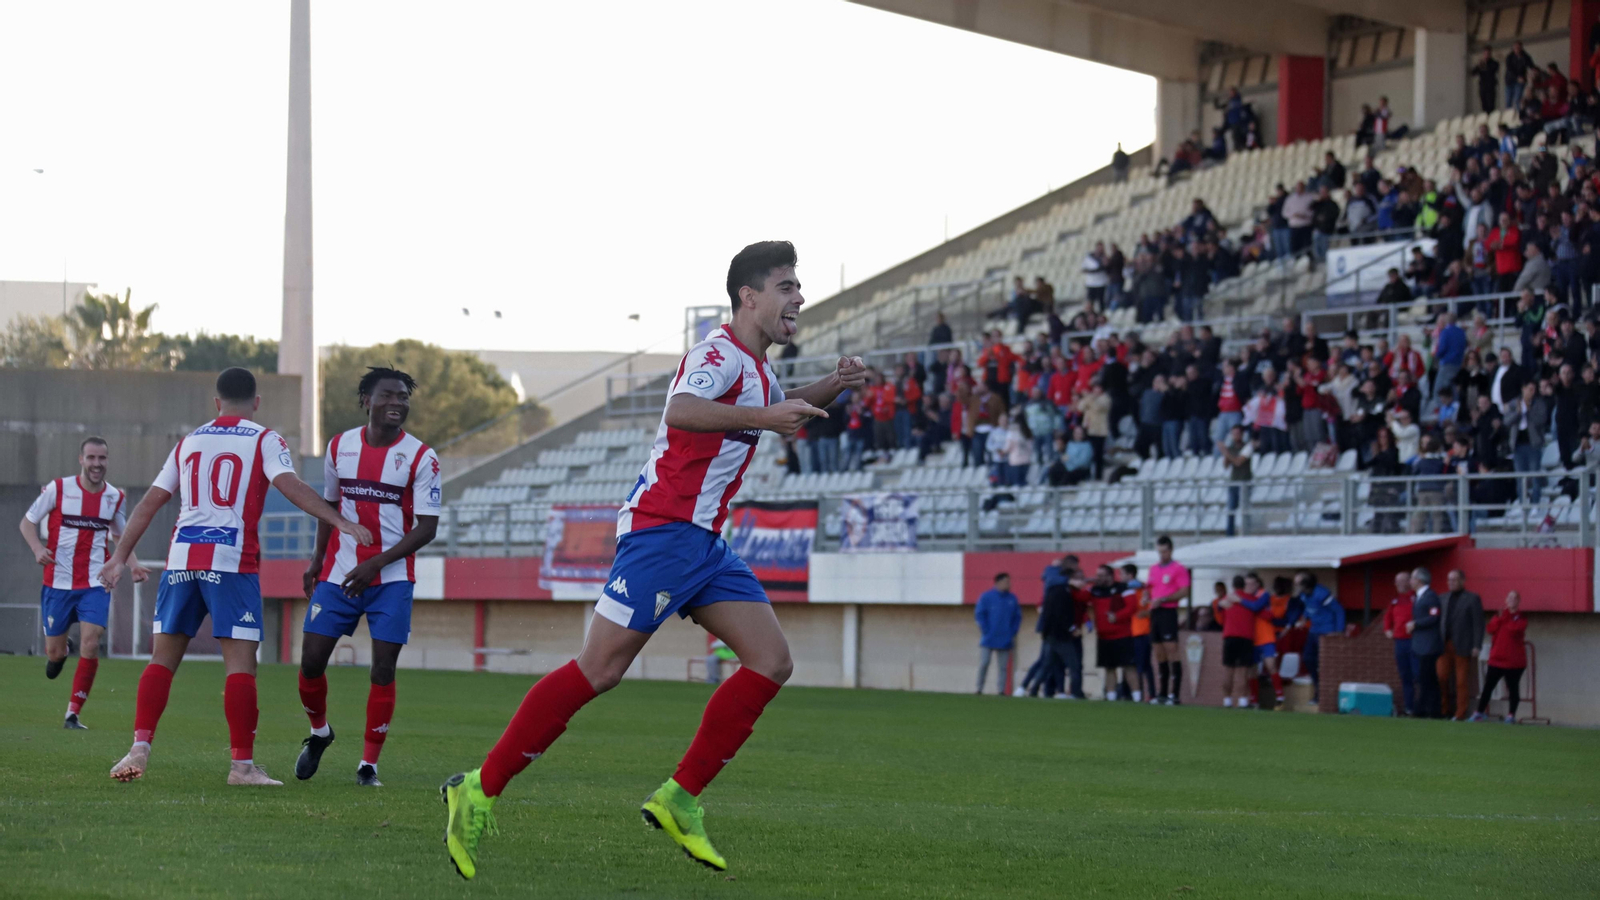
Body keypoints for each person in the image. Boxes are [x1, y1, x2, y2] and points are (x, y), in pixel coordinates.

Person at [439, 241, 869, 878]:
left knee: (771, 660)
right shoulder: (717, 354)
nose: (798, 298)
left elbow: (777, 408)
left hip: (704, 545)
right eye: (786, 286)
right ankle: (476, 789)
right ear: (749, 297)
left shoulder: (757, 368)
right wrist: (764, 412)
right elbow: (683, 411)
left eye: (797, 286)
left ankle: (680, 798)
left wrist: (834, 382)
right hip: (663, 532)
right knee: (600, 670)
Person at [100, 367, 373, 785]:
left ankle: (139, 745)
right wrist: (341, 521)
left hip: (182, 559)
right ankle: (242, 767)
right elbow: (290, 485)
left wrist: (119, 557)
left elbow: (151, 502)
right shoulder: (264, 439)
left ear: (216, 402)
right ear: (256, 402)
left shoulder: (189, 441)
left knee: (162, 660)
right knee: (240, 667)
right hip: (231, 560)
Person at [293, 367, 441, 787]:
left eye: (403, 397)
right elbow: (329, 508)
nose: (397, 402)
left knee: (382, 670)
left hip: (391, 579)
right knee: (309, 663)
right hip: (339, 574)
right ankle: (320, 733)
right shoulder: (339, 446)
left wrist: (377, 563)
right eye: (388, 395)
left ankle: (367, 766)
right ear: (367, 400)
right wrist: (316, 559)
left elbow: (427, 528)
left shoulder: (421, 456)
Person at [19, 437, 131, 729]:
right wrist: (37, 549)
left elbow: (120, 536)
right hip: (57, 583)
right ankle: (61, 650)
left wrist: (132, 563)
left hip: (96, 582)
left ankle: (72, 713)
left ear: (107, 460)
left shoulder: (114, 497)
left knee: (92, 643)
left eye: (102, 458)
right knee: (54, 654)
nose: (97, 464)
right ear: (81, 459)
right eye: (91, 458)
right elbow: (27, 522)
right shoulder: (58, 488)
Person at [1077, 564, 1135, 701]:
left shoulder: (1123, 588)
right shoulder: (1094, 590)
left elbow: (1132, 606)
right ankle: (1111, 696)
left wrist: (1117, 616)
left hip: (1123, 634)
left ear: (1110, 576)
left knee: (1129, 667)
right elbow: (1079, 598)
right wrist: (1085, 582)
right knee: (1109, 667)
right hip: (1104, 636)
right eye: (1097, 575)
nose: (1098, 578)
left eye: (1101, 575)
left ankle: (1137, 696)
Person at [1473, 591, 1528, 723]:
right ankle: (1479, 712)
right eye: (1509, 597)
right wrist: (1499, 618)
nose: (1511, 600)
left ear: (1518, 601)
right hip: (1497, 659)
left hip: (1514, 662)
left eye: (1514, 598)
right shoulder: (1499, 616)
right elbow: (1490, 629)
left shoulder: (1521, 618)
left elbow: (1514, 629)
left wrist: (1504, 618)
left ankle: (1511, 715)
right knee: (1488, 687)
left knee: (1513, 688)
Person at [1438, 569, 1486, 722]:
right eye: (1449, 580)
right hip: (1444, 645)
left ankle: (1460, 713)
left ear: (1462, 581)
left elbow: (1478, 624)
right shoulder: (1442, 598)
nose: (1451, 582)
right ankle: (1444, 709)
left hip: (1463, 645)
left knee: (1461, 681)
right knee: (1441, 677)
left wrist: (1477, 645)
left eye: (1454, 579)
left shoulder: (1472, 598)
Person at [1147, 535, 1189, 704]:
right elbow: (1150, 588)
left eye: (1164, 551)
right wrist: (1146, 597)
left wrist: (1164, 599)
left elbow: (1184, 591)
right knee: (1158, 652)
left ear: (1170, 550)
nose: (1161, 555)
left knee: (1172, 650)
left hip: (1168, 612)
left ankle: (1175, 695)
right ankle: (1162, 693)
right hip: (1155, 613)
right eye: (1159, 552)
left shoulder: (1179, 568)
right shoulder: (1153, 569)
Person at [1034, 562, 1085, 699]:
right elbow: (1062, 616)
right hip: (1060, 636)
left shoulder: (1054, 590)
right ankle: (1076, 693)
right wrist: (1072, 628)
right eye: (1078, 578)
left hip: (1051, 634)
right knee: (1074, 665)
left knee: (1047, 665)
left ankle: (1033, 690)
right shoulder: (1063, 592)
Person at [1217, 573, 1269, 708]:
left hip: (1229, 637)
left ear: (1233, 585)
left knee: (1228, 670)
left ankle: (1227, 700)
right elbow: (1264, 613)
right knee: (1243, 671)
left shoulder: (1226, 600)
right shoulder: (1250, 600)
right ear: (1244, 585)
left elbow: (1220, 617)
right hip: (1245, 638)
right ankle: (1242, 700)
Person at [1294, 570, 1343, 705]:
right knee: (1308, 658)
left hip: (1326, 631)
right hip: (1314, 630)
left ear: (1306, 584)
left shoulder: (1322, 594)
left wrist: (1337, 631)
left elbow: (1338, 610)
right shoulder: (1304, 595)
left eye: (1298, 583)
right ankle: (1318, 689)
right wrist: (1304, 619)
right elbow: (1308, 608)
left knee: (1325, 663)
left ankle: (1324, 695)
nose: (1296, 585)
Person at [974, 572, 1021, 695]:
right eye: (1006, 581)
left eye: (1009, 581)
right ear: (998, 583)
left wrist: (1012, 632)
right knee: (984, 663)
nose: (1009, 584)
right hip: (988, 638)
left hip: (1005, 638)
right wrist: (986, 630)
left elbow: (1017, 617)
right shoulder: (986, 597)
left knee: (1003, 667)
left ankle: (1001, 690)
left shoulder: (1012, 598)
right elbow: (979, 614)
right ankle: (979, 688)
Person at [1407, 568, 1444, 718]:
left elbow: (1434, 617)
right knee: (1429, 679)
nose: (1410, 581)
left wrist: (1415, 624)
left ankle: (1421, 710)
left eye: (1412, 578)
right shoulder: (1419, 597)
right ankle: (1434, 710)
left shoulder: (1431, 597)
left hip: (1429, 646)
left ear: (1419, 580)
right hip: (1421, 645)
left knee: (1425, 678)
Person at [1382, 571, 1418, 716]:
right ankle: (1409, 707)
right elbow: (1387, 618)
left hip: (1413, 641)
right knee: (1405, 675)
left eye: (1400, 581)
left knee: (1417, 674)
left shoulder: (1415, 599)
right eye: (1396, 581)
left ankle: (1421, 706)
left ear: (1408, 582)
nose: (1397, 584)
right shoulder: (1395, 601)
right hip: (1400, 642)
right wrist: (1387, 630)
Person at [1120, 563, 1156, 704]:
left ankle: (1142, 695)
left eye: (1122, 574)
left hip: (1141, 631)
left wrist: (1146, 612)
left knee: (1141, 665)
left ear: (1130, 575)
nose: (1120, 577)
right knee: (1133, 664)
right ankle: (1130, 694)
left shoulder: (1142, 590)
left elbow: (1149, 609)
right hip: (1130, 632)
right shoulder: (1127, 591)